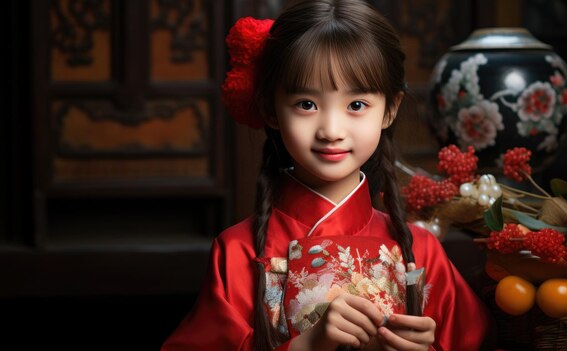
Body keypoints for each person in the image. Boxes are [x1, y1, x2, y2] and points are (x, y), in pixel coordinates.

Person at [162, 0, 491, 350]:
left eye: (356, 105)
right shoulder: (239, 251)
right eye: (306, 104)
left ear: (389, 110)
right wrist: (306, 346)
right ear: (271, 110)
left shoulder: (420, 251)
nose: (331, 130)